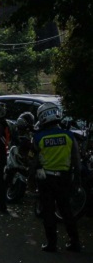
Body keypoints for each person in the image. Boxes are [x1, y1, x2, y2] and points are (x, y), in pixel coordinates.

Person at [32, 103, 82, 252]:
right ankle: (75, 242)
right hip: (64, 179)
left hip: (46, 179)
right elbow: (76, 160)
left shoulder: (38, 137)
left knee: (48, 211)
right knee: (66, 211)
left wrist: (31, 177)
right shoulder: (69, 136)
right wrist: (77, 179)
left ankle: (51, 243)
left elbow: (34, 161)